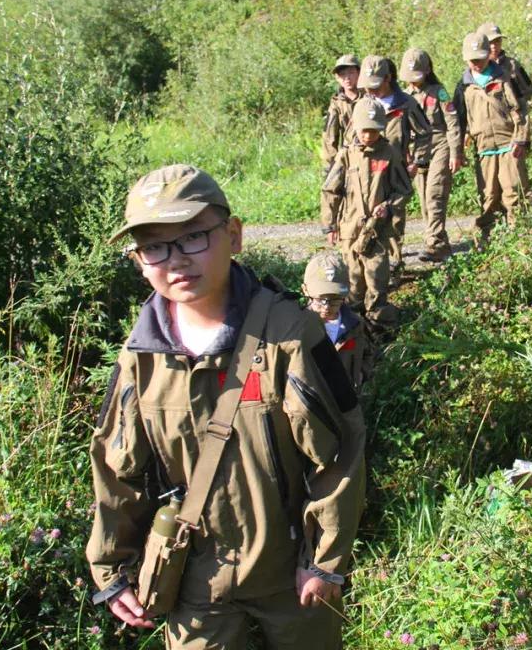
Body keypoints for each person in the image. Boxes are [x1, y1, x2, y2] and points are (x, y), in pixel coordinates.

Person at [88, 164, 365, 650]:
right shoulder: (141, 355)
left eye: (194, 236)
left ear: (233, 236)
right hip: (194, 578)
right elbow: (117, 468)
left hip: (291, 574)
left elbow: (339, 453)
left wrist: (325, 561)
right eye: (153, 246)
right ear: (137, 259)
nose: (175, 261)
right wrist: (112, 566)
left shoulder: (290, 335)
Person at [321, 97, 413, 332]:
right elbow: (331, 190)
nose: (368, 136)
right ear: (355, 126)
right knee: (352, 285)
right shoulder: (347, 154)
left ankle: (379, 333)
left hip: (377, 232)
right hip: (349, 231)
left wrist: (389, 206)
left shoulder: (389, 153)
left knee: (376, 283)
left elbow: (404, 190)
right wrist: (329, 226)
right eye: (364, 131)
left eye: (373, 131)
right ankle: (352, 333)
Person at [356, 54, 432, 276]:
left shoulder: (406, 104)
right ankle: (366, 266)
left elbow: (425, 133)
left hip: (397, 169)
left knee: (394, 217)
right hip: (367, 171)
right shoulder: (363, 105)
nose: (371, 91)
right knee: (366, 217)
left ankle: (393, 264)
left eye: (375, 86)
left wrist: (418, 160)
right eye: (367, 86)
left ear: (388, 78)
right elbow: (352, 137)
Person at [458, 32, 530, 247]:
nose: (477, 64)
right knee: (489, 198)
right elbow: (459, 121)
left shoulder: (504, 77)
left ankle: (522, 242)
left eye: (480, 59)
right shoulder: (463, 85)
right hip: (484, 149)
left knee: (514, 194)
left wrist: (521, 139)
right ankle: (489, 245)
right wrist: (459, 149)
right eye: (472, 60)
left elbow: (521, 110)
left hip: (509, 145)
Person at [398, 47, 463, 263]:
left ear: (427, 71)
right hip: (419, 150)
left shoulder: (439, 91)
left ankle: (433, 243)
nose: (414, 82)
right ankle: (440, 242)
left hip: (440, 145)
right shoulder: (404, 97)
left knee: (435, 194)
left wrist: (456, 152)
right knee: (424, 199)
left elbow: (452, 122)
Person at [302, 251, 373, 391]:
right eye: (320, 299)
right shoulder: (297, 327)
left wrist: (361, 374)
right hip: (311, 404)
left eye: (335, 299)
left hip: (347, 402)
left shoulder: (355, 325)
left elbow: (368, 353)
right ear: (305, 290)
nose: (327, 306)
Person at [321, 54, 361, 176]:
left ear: (359, 73)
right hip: (348, 157)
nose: (347, 78)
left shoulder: (370, 98)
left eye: (351, 73)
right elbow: (329, 138)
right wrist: (330, 168)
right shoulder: (337, 104)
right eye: (342, 74)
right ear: (337, 78)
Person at [478, 21, 532, 104]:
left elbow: (528, 91)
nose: (494, 46)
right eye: (490, 42)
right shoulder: (476, 70)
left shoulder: (512, 65)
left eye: (497, 41)